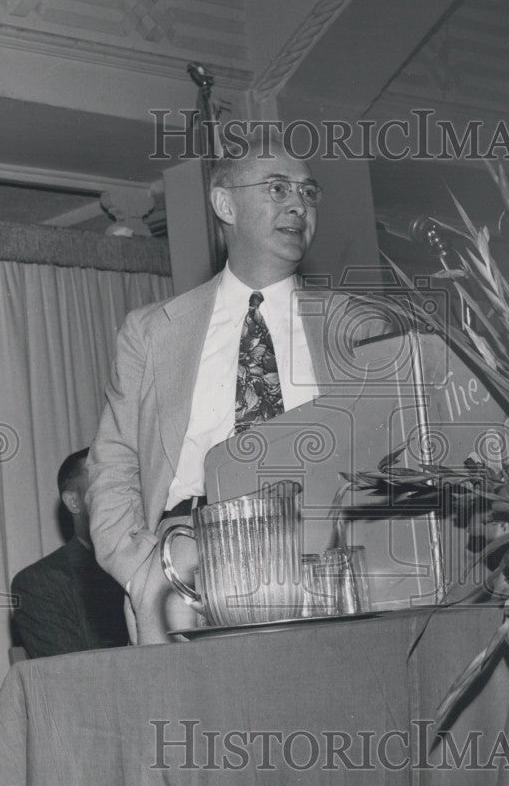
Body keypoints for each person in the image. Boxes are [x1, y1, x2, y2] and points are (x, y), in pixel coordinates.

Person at [87, 131, 376, 644]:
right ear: (225, 204)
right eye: (277, 188)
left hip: (321, 557)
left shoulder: (358, 328)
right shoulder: (152, 331)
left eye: (308, 193)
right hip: (187, 561)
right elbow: (115, 459)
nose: (298, 206)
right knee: (193, 721)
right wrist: (138, 569)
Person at [11, 448, 128, 658]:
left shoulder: (156, 560)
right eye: (103, 487)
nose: (120, 498)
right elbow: (75, 680)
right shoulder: (40, 583)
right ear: (73, 502)